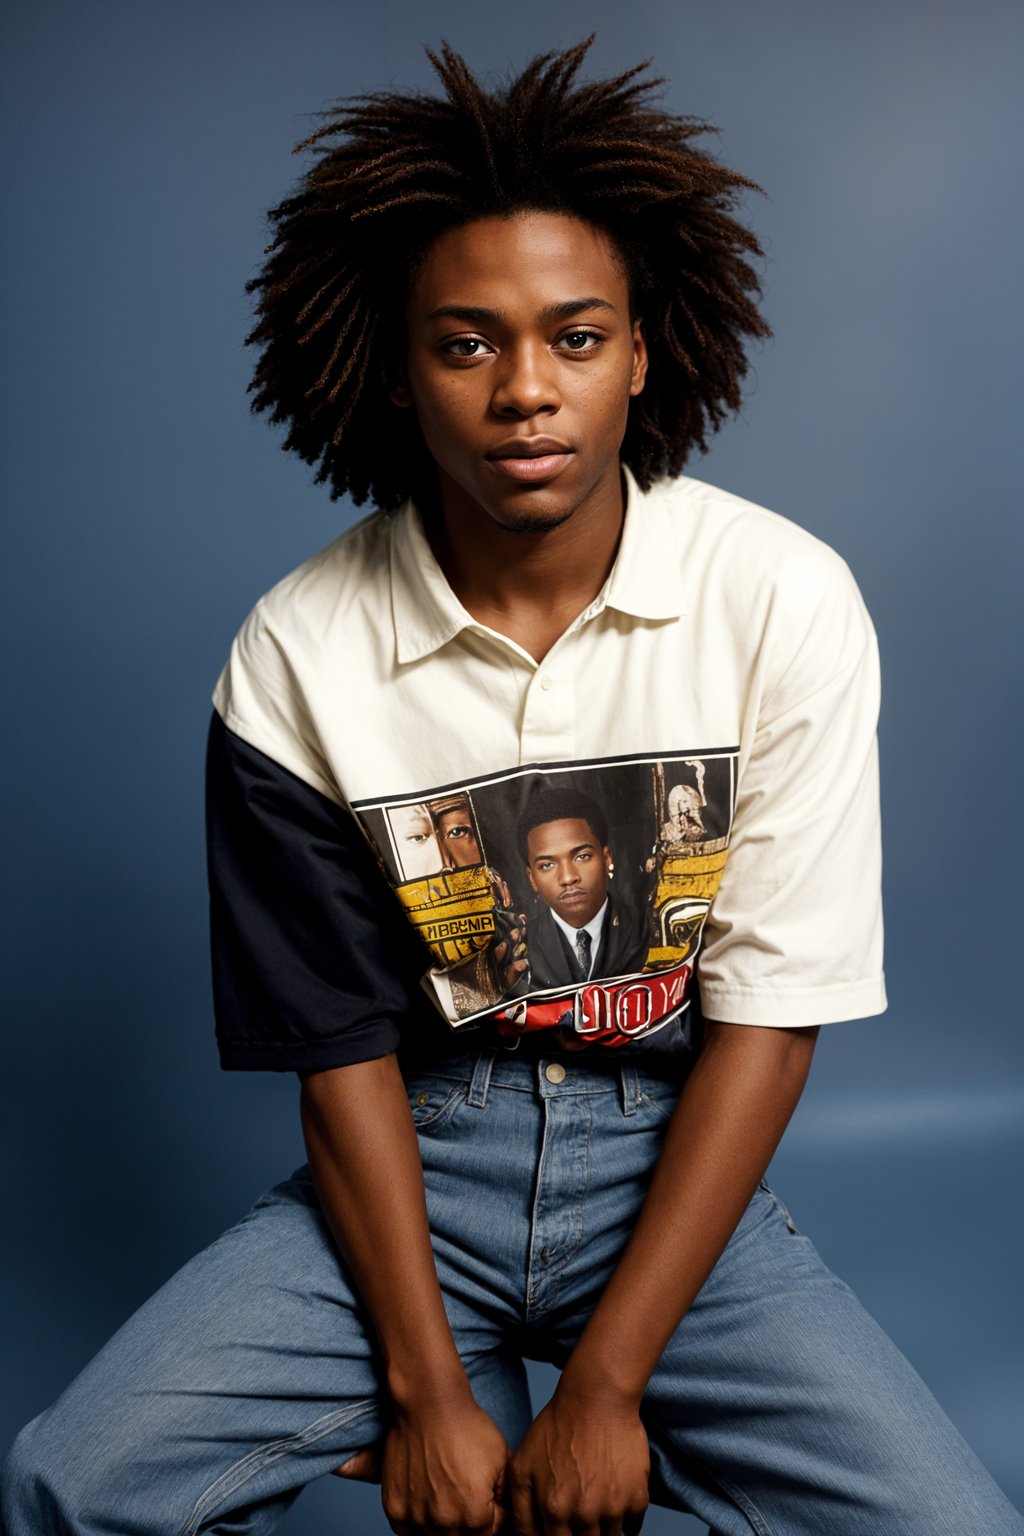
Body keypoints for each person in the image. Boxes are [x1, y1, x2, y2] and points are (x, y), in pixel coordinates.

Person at [3, 37, 1022, 1536]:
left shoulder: (780, 597)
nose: (527, 392)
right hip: (421, 1163)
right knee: (68, 1484)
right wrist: (427, 1392)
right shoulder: (301, 649)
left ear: (645, 349)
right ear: (393, 369)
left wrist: (606, 1392)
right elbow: (339, 1056)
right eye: (467, 343)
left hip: (672, 1164)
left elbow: (769, 1024)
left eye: (577, 335)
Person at [518, 785, 649, 990]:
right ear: (532, 878)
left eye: (582, 856)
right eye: (547, 865)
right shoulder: (519, 949)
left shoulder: (648, 929)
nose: (568, 878)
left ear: (606, 859)